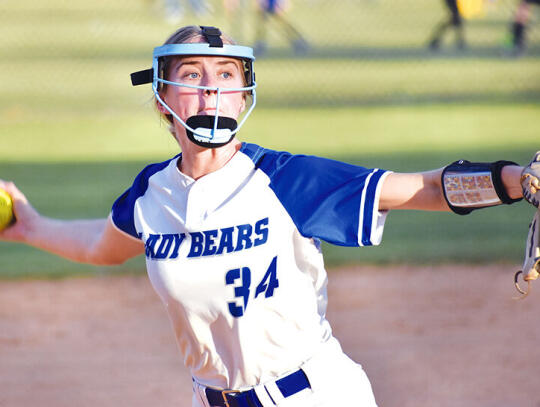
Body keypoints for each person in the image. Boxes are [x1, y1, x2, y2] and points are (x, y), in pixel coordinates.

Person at [0, 25, 538, 407]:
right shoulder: (152, 193)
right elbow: (102, 243)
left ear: (243, 95)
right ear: (164, 98)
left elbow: (418, 189)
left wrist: (515, 181)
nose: (211, 87)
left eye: (226, 75)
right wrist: (30, 226)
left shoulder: (285, 180)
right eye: (192, 74)